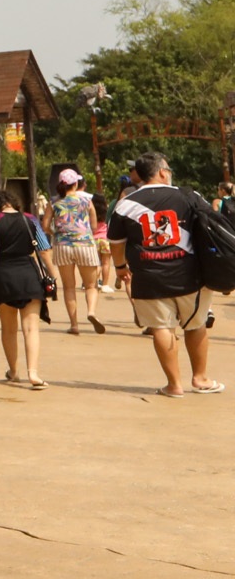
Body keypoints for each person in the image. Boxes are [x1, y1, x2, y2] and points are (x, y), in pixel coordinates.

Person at [106, 151, 222, 396]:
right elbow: (212, 226)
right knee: (195, 325)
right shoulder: (188, 196)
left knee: (161, 328)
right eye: (168, 169)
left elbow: (116, 242)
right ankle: (200, 379)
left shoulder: (124, 204)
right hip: (190, 276)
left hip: (148, 277)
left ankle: (174, 385)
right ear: (161, 172)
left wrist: (119, 268)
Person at [0, 189, 54, 387]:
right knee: (31, 328)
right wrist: (52, 274)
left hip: (4, 277)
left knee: (9, 329)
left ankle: (14, 371)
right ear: (13, 202)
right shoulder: (30, 219)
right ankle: (33, 373)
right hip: (29, 275)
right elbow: (43, 250)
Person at [49, 169, 107, 335]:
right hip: (85, 245)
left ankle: (74, 325)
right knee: (91, 285)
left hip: (62, 246)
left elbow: (46, 225)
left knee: (69, 287)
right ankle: (91, 312)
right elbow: (94, 226)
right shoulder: (86, 200)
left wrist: (58, 234)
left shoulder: (54, 202)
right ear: (76, 183)